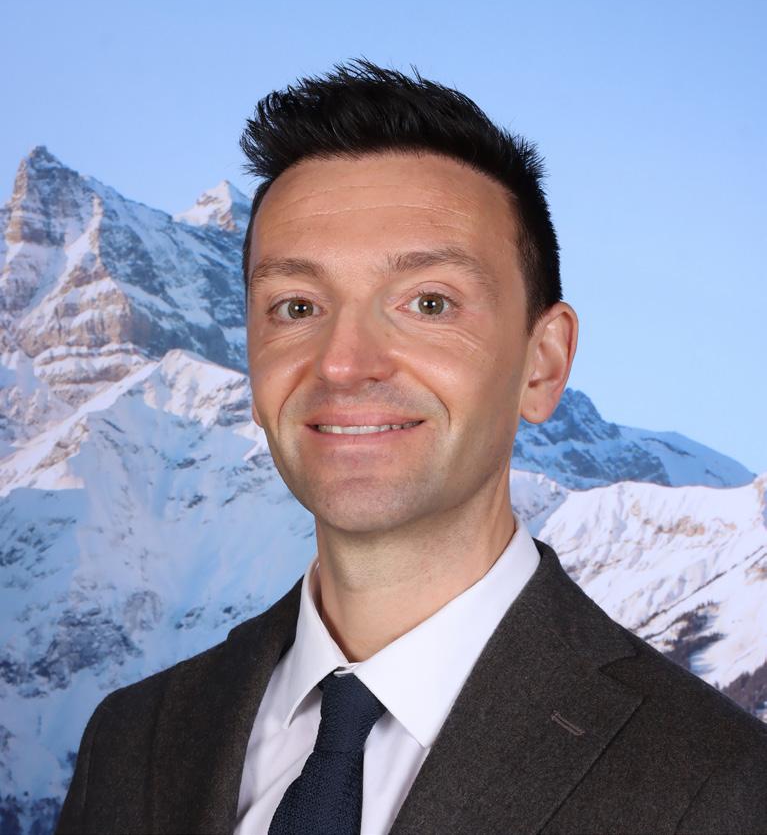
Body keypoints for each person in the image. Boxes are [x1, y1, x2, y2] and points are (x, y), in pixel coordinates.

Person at [57, 60, 767, 835]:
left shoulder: (720, 784)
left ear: (542, 364)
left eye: (428, 303)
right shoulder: (129, 742)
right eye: (296, 307)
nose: (342, 362)